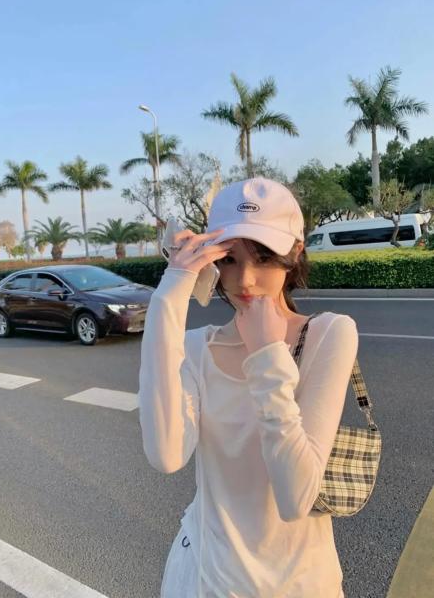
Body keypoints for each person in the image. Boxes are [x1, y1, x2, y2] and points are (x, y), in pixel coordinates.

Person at [139, 177, 358, 598]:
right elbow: (166, 455)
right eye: (229, 259)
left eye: (264, 257)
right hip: (205, 580)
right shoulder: (198, 348)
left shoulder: (329, 334)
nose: (245, 280)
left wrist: (265, 354)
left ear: (295, 252)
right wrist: (169, 296)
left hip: (301, 584)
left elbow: (295, 498)